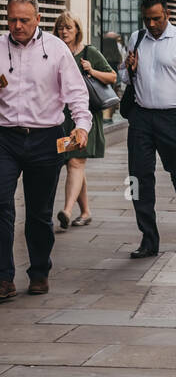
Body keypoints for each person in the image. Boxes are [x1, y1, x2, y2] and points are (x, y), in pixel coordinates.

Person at [0, 0, 91, 300]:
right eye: (12, 19)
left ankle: (39, 272)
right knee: (1, 205)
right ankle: (4, 278)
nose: (17, 26)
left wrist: (82, 125)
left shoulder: (55, 49)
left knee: (39, 212)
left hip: (44, 137)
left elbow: (77, 92)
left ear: (38, 19)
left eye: (24, 20)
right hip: (5, 138)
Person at [117, 0, 176, 258]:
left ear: (167, 14)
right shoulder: (136, 39)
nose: (152, 24)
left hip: (174, 118)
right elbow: (123, 76)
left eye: (156, 18)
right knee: (137, 176)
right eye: (147, 19)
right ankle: (148, 237)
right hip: (141, 118)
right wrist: (129, 68)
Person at [53, 12, 116, 229]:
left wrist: (92, 70)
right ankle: (86, 211)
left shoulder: (89, 52)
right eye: (61, 28)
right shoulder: (54, 52)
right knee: (75, 166)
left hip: (84, 119)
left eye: (68, 28)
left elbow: (113, 77)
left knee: (75, 162)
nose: (64, 31)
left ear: (77, 30)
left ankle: (67, 211)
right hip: (62, 119)